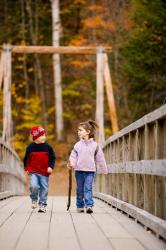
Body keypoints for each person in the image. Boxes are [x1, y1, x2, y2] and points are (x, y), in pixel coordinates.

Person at [68, 120, 108, 214]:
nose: (78, 132)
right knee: (79, 189)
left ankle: (89, 205)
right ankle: (80, 205)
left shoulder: (95, 146)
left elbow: (100, 159)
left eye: (80, 130)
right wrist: (72, 164)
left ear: (88, 132)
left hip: (90, 171)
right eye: (78, 130)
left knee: (88, 188)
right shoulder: (77, 145)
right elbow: (73, 156)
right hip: (79, 171)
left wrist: (104, 169)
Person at [24, 126, 56, 213]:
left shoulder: (48, 147)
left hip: (44, 172)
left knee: (44, 188)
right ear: (35, 137)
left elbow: (52, 157)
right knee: (33, 186)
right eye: (42, 135)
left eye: (44, 135)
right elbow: (26, 159)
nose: (44, 137)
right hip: (34, 171)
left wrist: (50, 166)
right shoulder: (30, 147)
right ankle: (34, 199)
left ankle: (42, 205)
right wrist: (27, 168)